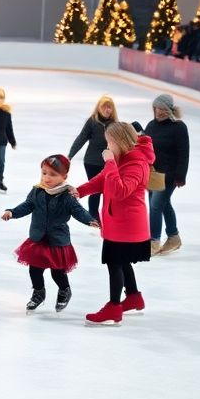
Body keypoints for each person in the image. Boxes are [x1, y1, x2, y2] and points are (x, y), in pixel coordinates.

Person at [75, 122, 154, 326]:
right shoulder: (121, 159)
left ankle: (113, 307)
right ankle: (134, 297)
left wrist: (110, 163)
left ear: (119, 141)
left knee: (114, 263)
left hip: (126, 225)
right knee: (122, 260)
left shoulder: (136, 163)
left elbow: (120, 190)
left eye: (109, 142)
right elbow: (102, 180)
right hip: (119, 222)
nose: (107, 146)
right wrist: (79, 191)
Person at [1, 154, 97, 313]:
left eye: (53, 174)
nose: (47, 177)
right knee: (35, 269)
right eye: (44, 172)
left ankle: (65, 290)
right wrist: (12, 212)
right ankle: (39, 292)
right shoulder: (37, 191)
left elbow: (78, 211)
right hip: (38, 238)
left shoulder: (67, 195)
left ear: (64, 176)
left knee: (57, 272)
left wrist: (89, 220)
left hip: (57, 240)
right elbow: (27, 206)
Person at [143, 93, 189, 256]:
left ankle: (153, 241)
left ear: (169, 110)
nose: (160, 112)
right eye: (157, 108)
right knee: (163, 205)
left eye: (163, 109)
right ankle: (173, 237)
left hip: (169, 175)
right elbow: (143, 146)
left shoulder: (179, 127)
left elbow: (184, 153)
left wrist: (180, 176)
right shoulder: (151, 125)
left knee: (156, 206)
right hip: (153, 174)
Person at [68, 95, 118, 221]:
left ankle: (109, 217)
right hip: (92, 162)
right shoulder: (92, 121)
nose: (107, 110)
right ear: (99, 108)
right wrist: (70, 155)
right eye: (105, 107)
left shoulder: (115, 124)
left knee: (109, 191)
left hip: (108, 162)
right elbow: (81, 138)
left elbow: (121, 143)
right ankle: (94, 218)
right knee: (96, 189)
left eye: (110, 107)